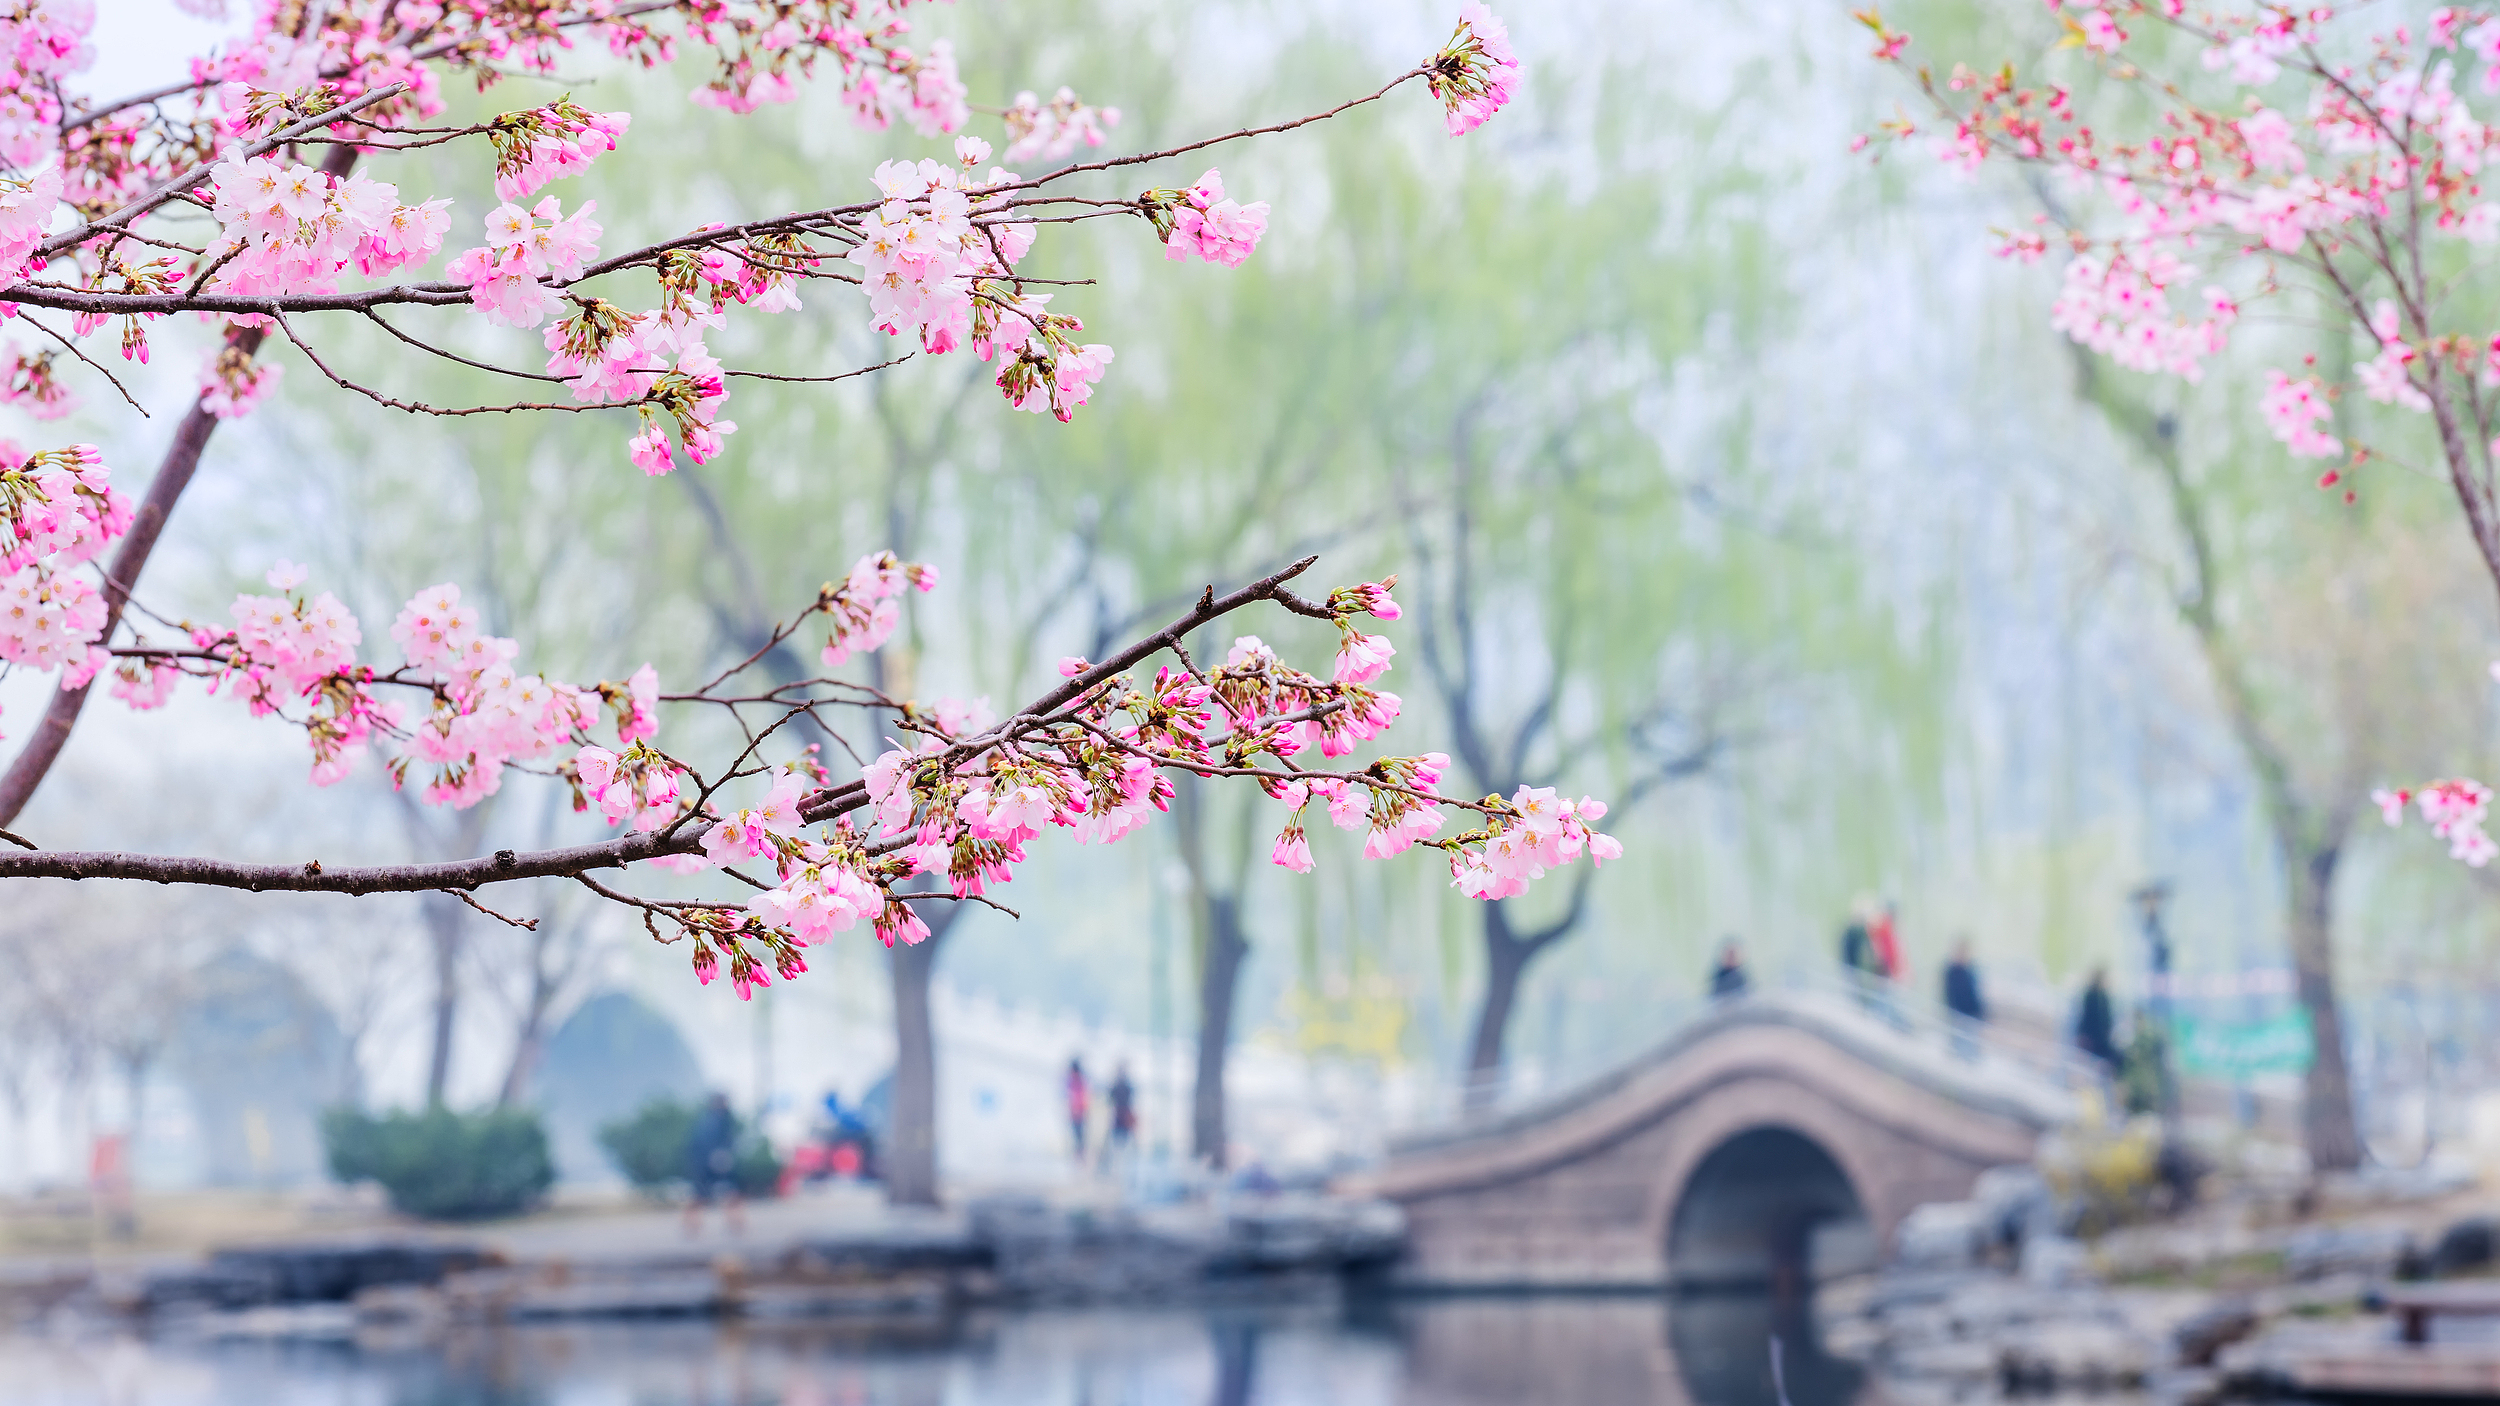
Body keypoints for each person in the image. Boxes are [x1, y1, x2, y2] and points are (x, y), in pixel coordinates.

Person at [682, 1092, 745, 1237]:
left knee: (726, 1193)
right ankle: (691, 1223)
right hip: (709, 1164)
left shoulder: (720, 1119)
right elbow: (704, 1144)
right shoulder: (712, 1121)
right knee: (704, 1195)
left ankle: (735, 1223)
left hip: (714, 1163)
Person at [1942, 939, 1985, 1060]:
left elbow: (1975, 996)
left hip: (1971, 1017)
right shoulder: (1951, 971)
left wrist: (1979, 1015)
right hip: (1958, 1016)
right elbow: (1950, 994)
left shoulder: (1970, 971)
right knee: (1958, 1044)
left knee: (1970, 1047)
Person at [2074, 967, 2121, 1072]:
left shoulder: (2103, 997)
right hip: (2092, 1038)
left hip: (2099, 1038)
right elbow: (2088, 1018)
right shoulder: (2092, 995)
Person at [1064, 1056, 1090, 1161]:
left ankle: (1079, 1157)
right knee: (1078, 1136)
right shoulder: (1076, 1081)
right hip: (1077, 1112)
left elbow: (1078, 1097)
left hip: (1079, 1112)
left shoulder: (1076, 1081)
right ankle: (1079, 1156)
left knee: (1079, 1136)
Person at [1108, 1062, 1137, 1154]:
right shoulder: (1126, 1086)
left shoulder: (1116, 1085)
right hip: (1123, 1115)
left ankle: (1120, 1159)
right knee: (1122, 1142)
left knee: (1119, 1142)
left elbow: (1110, 1099)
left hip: (1119, 1115)